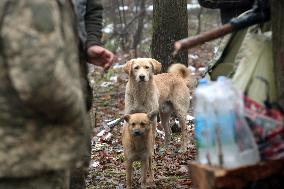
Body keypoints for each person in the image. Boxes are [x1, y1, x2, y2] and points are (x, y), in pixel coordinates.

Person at [0, 0, 112, 188]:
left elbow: (91, 11)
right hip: (27, 152)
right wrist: (77, 116)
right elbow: (41, 82)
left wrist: (87, 43)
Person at [69, 0, 114, 189]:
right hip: (14, 90)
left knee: (76, 164)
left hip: (73, 81)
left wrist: (91, 42)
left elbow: (92, 9)